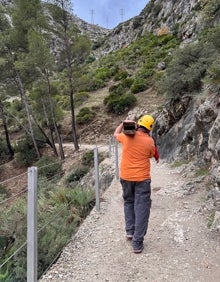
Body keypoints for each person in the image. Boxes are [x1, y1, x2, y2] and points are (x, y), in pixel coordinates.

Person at [114, 114, 158, 253]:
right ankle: (137, 243)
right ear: (150, 128)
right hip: (142, 179)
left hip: (126, 177)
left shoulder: (126, 136)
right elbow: (151, 154)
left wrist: (123, 123)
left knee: (128, 202)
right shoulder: (149, 141)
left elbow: (115, 133)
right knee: (142, 208)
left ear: (138, 124)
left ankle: (130, 231)